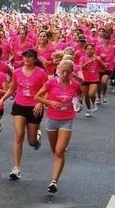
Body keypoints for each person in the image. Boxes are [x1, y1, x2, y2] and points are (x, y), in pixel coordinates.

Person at [34, 58, 82, 194]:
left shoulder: (75, 85)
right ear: (58, 70)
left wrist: (78, 102)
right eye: (63, 71)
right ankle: (38, 135)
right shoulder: (51, 83)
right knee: (54, 150)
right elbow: (37, 97)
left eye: (68, 72)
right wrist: (49, 102)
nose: (65, 74)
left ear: (72, 72)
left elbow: (79, 93)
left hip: (67, 119)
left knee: (60, 151)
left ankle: (54, 182)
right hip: (52, 119)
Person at [1, 49, 48, 180]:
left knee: (31, 142)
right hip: (20, 106)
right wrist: (1, 99)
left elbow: (47, 90)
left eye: (30, 57)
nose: (26, 59)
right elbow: (12, 88)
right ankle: (16, 168)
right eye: (24, 57)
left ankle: (37, 137)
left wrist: (41, 103)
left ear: (35, 59)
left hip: (35, 107)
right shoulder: (17, 72)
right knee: (19, 135)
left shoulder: (41, 73)